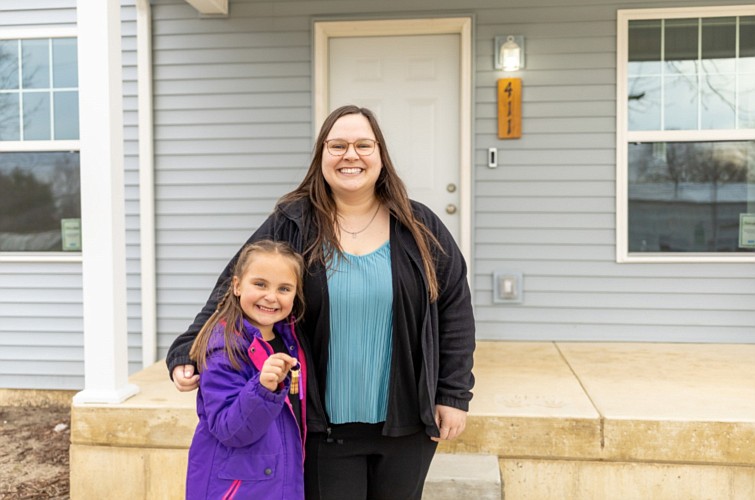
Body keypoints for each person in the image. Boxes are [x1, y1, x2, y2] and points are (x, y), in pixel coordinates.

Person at [168, 105, 476, 500]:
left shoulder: (420, 226)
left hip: (407, 426)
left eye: (364, 145)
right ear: (322, 156)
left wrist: (452, 394)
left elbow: (455, 310)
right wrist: (188, 347)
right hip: (322, 429)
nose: (351, 155)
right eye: (338, 145)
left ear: (381, 155)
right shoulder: (294, 221)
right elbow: (238, 284)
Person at [184, 240, 307, 500]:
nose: (271, 296)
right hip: (237, 488)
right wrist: (262, 389)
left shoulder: (290, 341)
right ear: (237, 285)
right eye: (260, 284)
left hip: (278, 483)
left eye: (284, 288)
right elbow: (229, 428)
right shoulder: (223, 348)